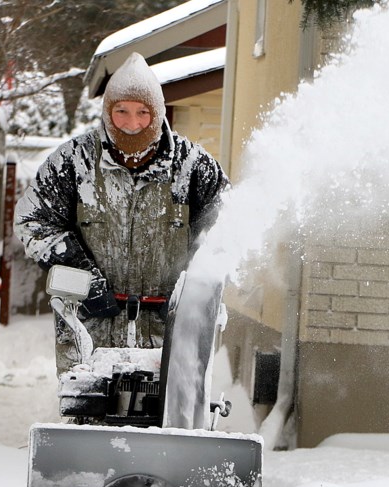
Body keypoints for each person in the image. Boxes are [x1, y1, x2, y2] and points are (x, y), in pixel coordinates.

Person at [14, 53, 228, 374]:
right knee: (88, 419)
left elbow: (225, 231)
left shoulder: (193, 167)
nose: (132, 124)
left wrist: (191, 293)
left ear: (157, 113)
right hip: (89, 337)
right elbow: (33, 221)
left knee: (165, 421)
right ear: (107, 111)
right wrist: (85, 283)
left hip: (170, 340)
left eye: (143, 113)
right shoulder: (73, 162)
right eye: (121, 111)